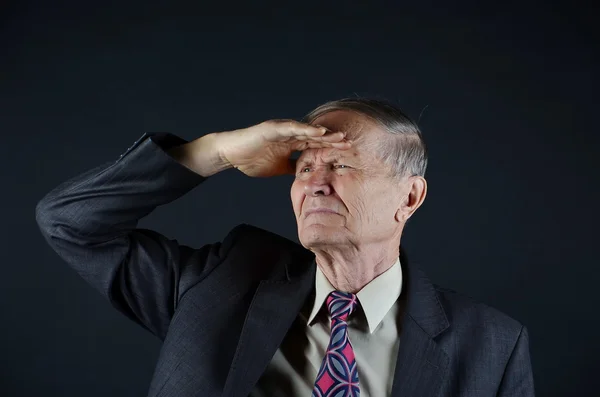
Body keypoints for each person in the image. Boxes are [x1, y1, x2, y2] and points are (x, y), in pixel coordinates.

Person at [36, 98, 535, 397]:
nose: (314, 183)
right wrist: (219, 152)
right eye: (303, 168)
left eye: (340, 165)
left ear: (409, 196)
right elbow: (70, 223)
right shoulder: (221, 284)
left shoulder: (490, 345)